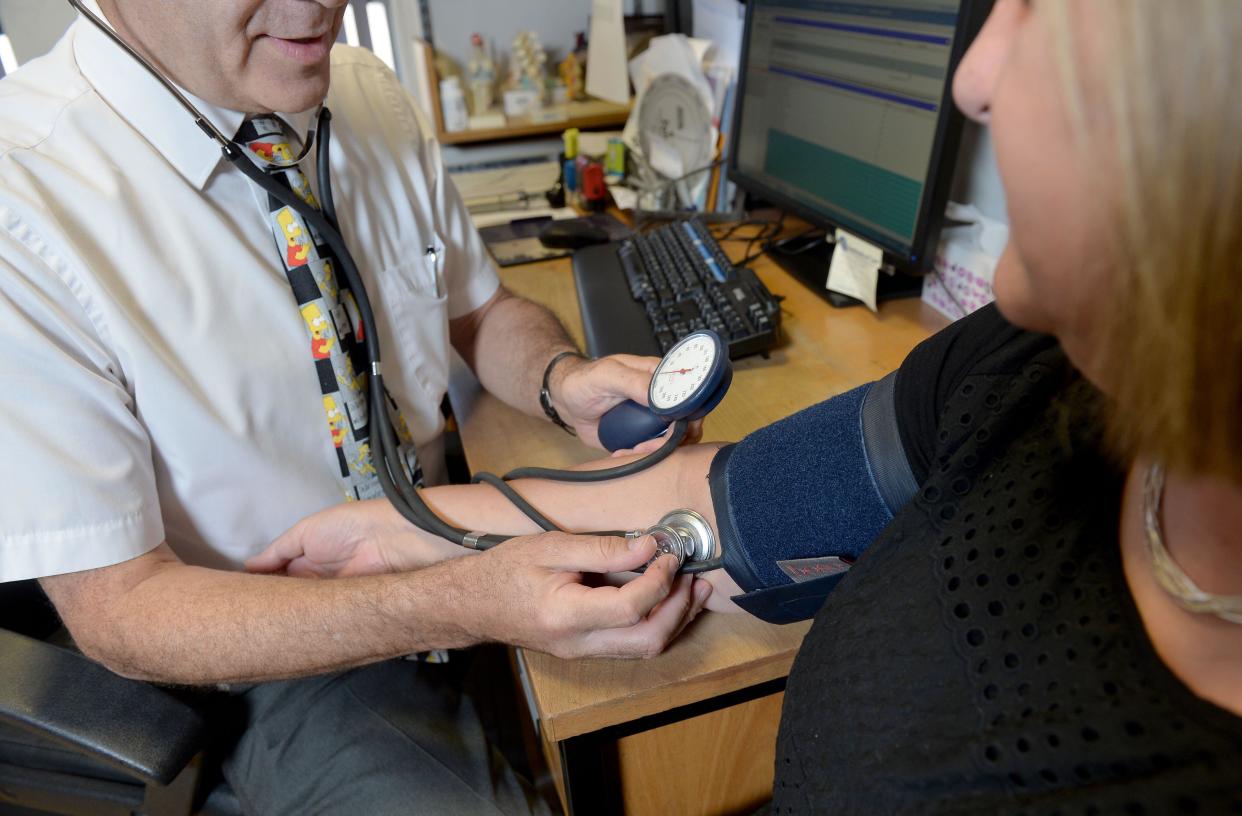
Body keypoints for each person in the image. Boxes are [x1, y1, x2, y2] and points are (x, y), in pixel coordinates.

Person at [254, 0, 1242, 811]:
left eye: (1041, 9)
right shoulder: (1018, 368)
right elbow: (727, 496)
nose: (972, 79)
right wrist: (403, 528)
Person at [0, 0, 711, 812]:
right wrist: (454, 604)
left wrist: (558, 379)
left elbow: (477, 312)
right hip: (278, 658)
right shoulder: (19, 203)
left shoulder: (363, 89)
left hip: (453, 549)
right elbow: (119, 612)